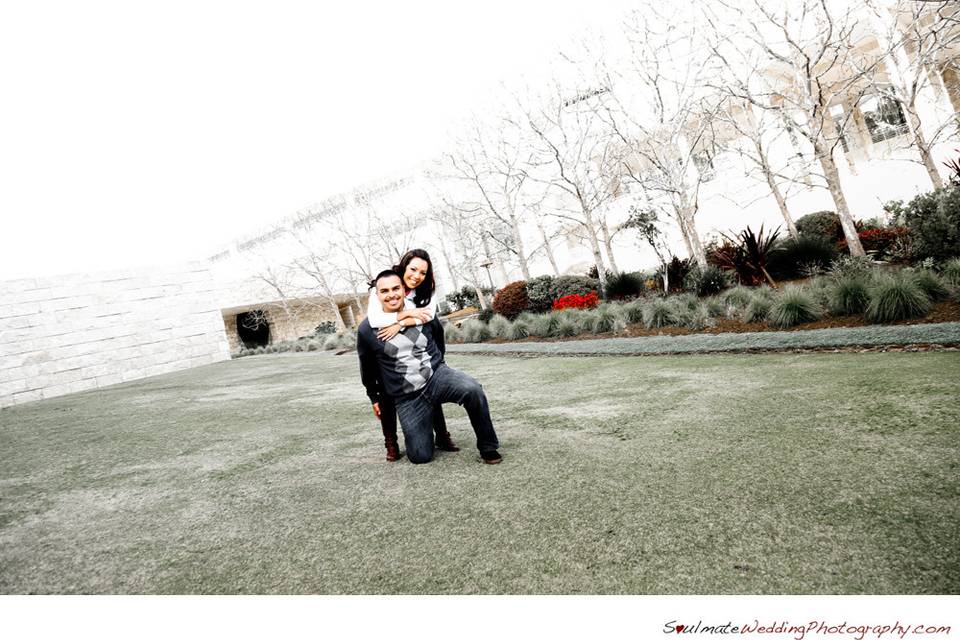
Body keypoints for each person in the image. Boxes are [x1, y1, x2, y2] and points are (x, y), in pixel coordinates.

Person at [357, 269, 503, 465]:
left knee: (472, 389)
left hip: (436, 377)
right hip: (408, 395)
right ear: (377, 294)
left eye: (396, 288)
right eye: (384, 291)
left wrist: (439, 365)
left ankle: (488, 446)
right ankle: (430, 427)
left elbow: (438, 337)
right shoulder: (367, 329)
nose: (391, 294)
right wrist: (373, 396)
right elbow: (367, 367)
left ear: (403, 289)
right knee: (420, 456)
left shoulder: (422, 311)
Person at [364, 249, 458, 461]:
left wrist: (400, 323)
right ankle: (391, 443)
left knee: (429, 383)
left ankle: (442, 435)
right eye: (412, 269)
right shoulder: (385, 286)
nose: (416, 276)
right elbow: (375, 321)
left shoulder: (426, 291)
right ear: (403, 267)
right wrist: (406, 314)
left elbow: (430, 318)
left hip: (415, 350)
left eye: (422, 272)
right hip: (388, 359)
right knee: (387, 393)